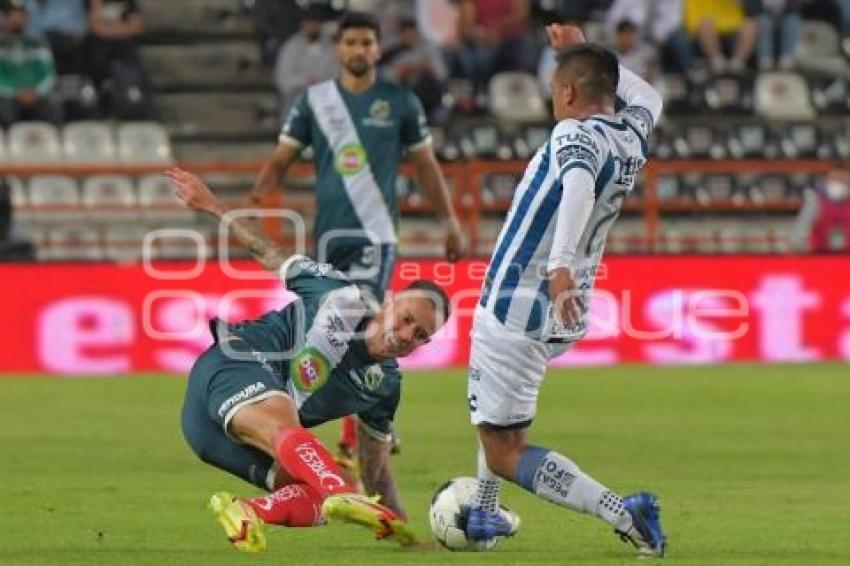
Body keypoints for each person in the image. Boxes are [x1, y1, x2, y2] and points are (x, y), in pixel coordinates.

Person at [462, 24, 668, 558]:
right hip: (564, 312)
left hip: (522, 299)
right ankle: (484, 512)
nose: (553, 101)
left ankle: (624, 513)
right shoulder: (629, 133)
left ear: (570, 94)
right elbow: (649, 95)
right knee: (497, 418)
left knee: (508, 451)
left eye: (556, 89)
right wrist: (579, 49)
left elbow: (576, 183)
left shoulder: (573, 134)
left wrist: (557, 267)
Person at [168, 167, 452, 552]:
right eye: (405, 320)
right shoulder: (338, 296)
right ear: (389, 302)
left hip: (208, 438)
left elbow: (375, 469)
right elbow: (268, 252)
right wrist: (213, 206)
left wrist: (404, 534)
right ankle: (337, 489)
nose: (406, 337)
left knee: (322, 497)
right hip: (233, 366)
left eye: (420, 335)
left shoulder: (385, 385)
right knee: (318, 465)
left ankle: (249, 511)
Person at [252, 11, 466, 470]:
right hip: (329, 233)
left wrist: (449, 220)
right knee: (325, 325)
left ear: (377, 48)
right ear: (338, 49)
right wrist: (262, 188)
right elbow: (283, 155)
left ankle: (357, 431)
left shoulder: (400, 101)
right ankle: (300, 409)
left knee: (368, 318)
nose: (359, 51)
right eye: (350, 42)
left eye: (367, 43)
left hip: (376, 234)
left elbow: (426, 165)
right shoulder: (315, 102)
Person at [0, 0, 61, 126]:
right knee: (5, 108)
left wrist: (37, 91)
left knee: (52, 104)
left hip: (36, 94)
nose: (17, 21)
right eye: (13, 17)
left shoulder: (38, 43)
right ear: (4, 20)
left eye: (21, 17)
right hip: (8, 94)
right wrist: (16, 92)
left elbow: (49, 72)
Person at [274, 5, 338, 117]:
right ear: (302, 24)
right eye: (309, 23)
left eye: (316, 23)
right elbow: (283, 82)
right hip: (297, 106)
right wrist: (305, 80)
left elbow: (339, 76)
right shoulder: (291, 47)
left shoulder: (331, 48)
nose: (312, 26)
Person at [791, 165, 850, 253]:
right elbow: (802, 227)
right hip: (820, 254)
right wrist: (798, 246)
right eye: (835, 178)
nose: (838, 182)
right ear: (827, 179)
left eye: (842, 179)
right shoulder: (815, 201)